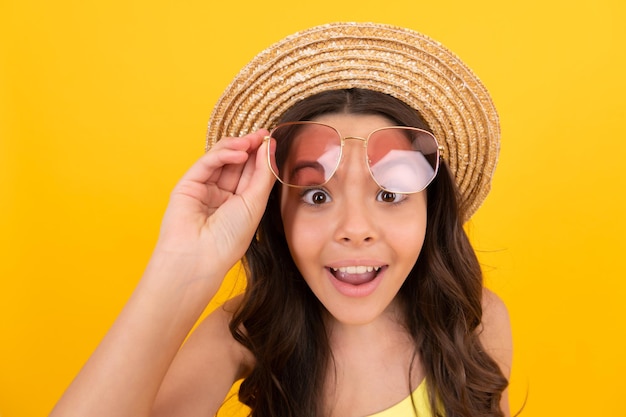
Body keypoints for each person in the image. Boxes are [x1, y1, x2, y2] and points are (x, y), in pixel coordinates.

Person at [50, 23, 513, 417]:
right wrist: (183, 266)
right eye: (316, 194)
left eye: (390, 193)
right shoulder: (246, 333)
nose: (355, 227)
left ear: (432, 210)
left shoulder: (475, 322)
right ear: (276, 212)